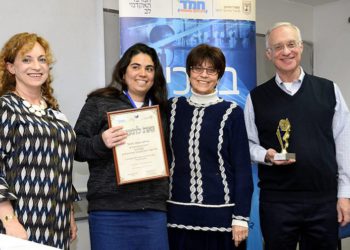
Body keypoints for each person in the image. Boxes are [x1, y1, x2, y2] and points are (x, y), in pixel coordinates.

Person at [244, 22, 350, 250]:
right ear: (269, 54)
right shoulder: (256, 98)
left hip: (323, 200)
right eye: (278, 46)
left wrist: (345, 195)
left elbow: (344, 145)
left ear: (301, 47)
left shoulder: (329, 90)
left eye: (291, 44)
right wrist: (267, 155)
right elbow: (248, 145)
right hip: (277, 203)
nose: (286, 51)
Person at [74, 43, 169, 250]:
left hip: (152, 212)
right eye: (135, 66)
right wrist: (101, 142)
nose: (142, 73)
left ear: (155, 75)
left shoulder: (163, 111)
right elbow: (75, 146)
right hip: (109, 213)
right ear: (123, 71)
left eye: (149, 68)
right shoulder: (100, 102)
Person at [167, 43, 253, 250]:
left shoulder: (232, 113)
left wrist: (240, 218)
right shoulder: (171, 108)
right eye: (197, 68)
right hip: (177, 216)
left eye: (211, 69)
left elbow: (243, 169)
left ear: (219, 75)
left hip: (222, 219)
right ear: (188, 72)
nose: (203, 75)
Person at [0, 32, 79, 249]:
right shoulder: (6, 107)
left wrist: (69, 212)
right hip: (20, 224)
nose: (36, 66)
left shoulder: (54, 112)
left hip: (57, 224)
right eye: (27, 59)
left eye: (42, 59)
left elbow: (60, 164)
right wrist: (9, 219)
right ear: (11, 67)